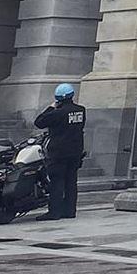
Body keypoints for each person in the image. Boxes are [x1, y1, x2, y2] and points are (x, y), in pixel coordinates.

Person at [32, 82, 87, 220]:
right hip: (75, 151)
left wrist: (50, 107)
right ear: (72, 95)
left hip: (58, 152)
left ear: (57, 98)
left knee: (57, 182)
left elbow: (39, 122)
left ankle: (54, 212)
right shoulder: (81, 110)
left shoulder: (57, 113)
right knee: (71, 182)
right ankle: (69, 210)